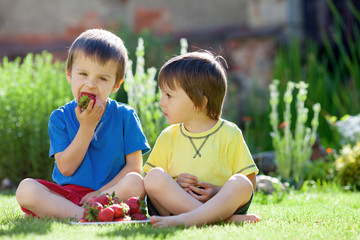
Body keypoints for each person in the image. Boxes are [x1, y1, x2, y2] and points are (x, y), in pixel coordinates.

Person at [16, 29, 150, 219]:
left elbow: (134, 168)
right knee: (26, 189)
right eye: (83, 74)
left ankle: (94, 211)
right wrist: (87, 127)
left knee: (136, 182)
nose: (91, 84)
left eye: (102, 78)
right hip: (70, 196)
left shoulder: (125, 116)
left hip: (110, 193)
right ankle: (83, 214)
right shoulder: (60, 117)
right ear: (69, 74)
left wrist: (100, 194)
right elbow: (66, 168)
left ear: (116, 85)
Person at [143, 51, 260, 228]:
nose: (161, 102)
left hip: (221, 205)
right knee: (153, 177)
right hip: (175, 207)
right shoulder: (168, 136)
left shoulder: (230, 134)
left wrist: (217, 192)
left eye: (169, 95)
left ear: (199, 102)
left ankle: (191, 218)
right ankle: (219, 220)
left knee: (241, 183)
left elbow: (250, 183)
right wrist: (176, 184)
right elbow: (153, 186)